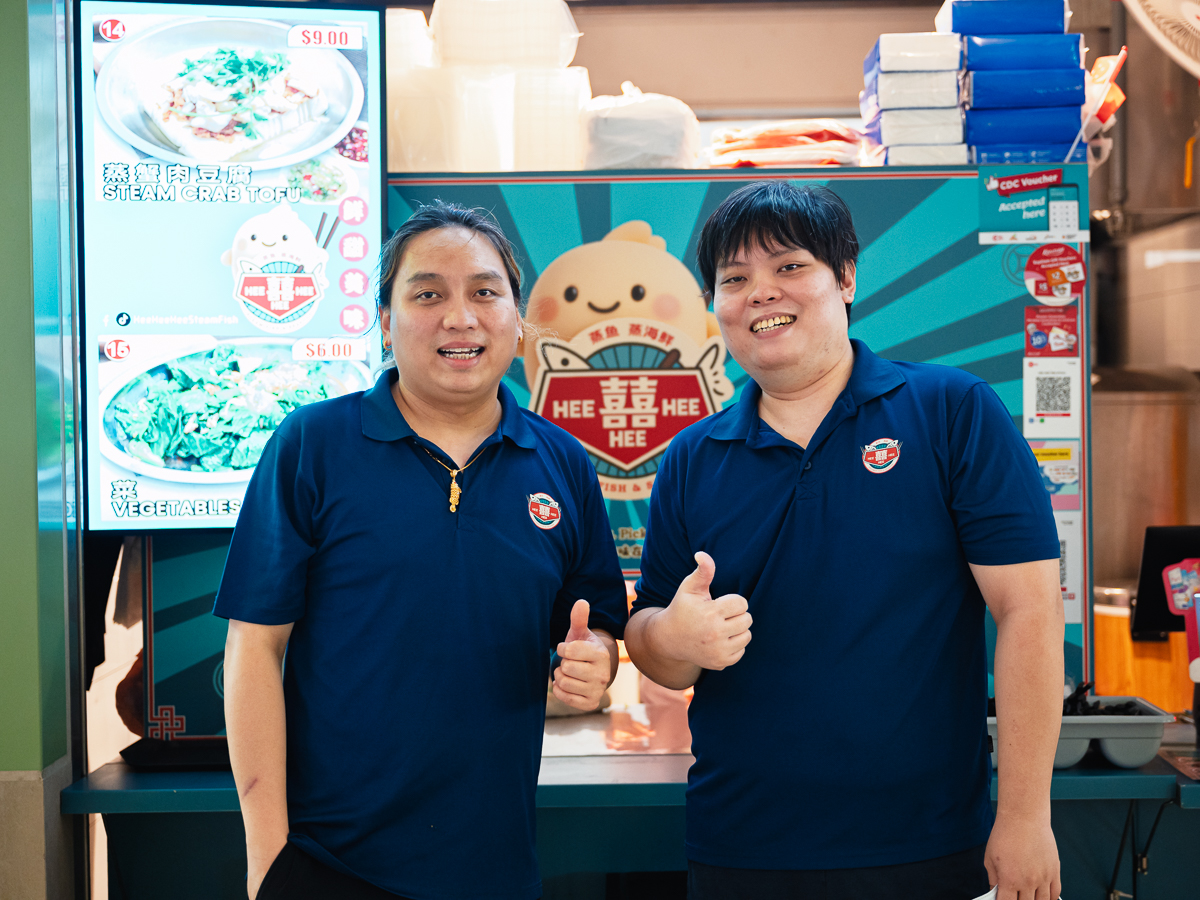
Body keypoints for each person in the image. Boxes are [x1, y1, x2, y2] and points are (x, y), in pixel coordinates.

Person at [625, 182, 1064, 900]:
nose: (761, 294)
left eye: (789, 267)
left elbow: (1029, 611)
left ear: (846, 277)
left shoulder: (952, 414)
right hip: (741, 847)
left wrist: (1023, 817)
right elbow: (654, 648)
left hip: (926, 843)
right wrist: (675, 637)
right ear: (716, 307)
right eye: (735, 280)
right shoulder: (691, 458)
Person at [215, 201, 628, 900]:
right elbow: (254, 649)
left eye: (485, 292)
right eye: (428, 293)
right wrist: (267, 856)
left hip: (495, 868)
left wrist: (597, 665)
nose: (460, 317)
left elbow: (594, 634)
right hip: (326, 865)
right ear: (384, 320)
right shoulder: (312, 446)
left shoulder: (561, 463)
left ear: (518, 320)